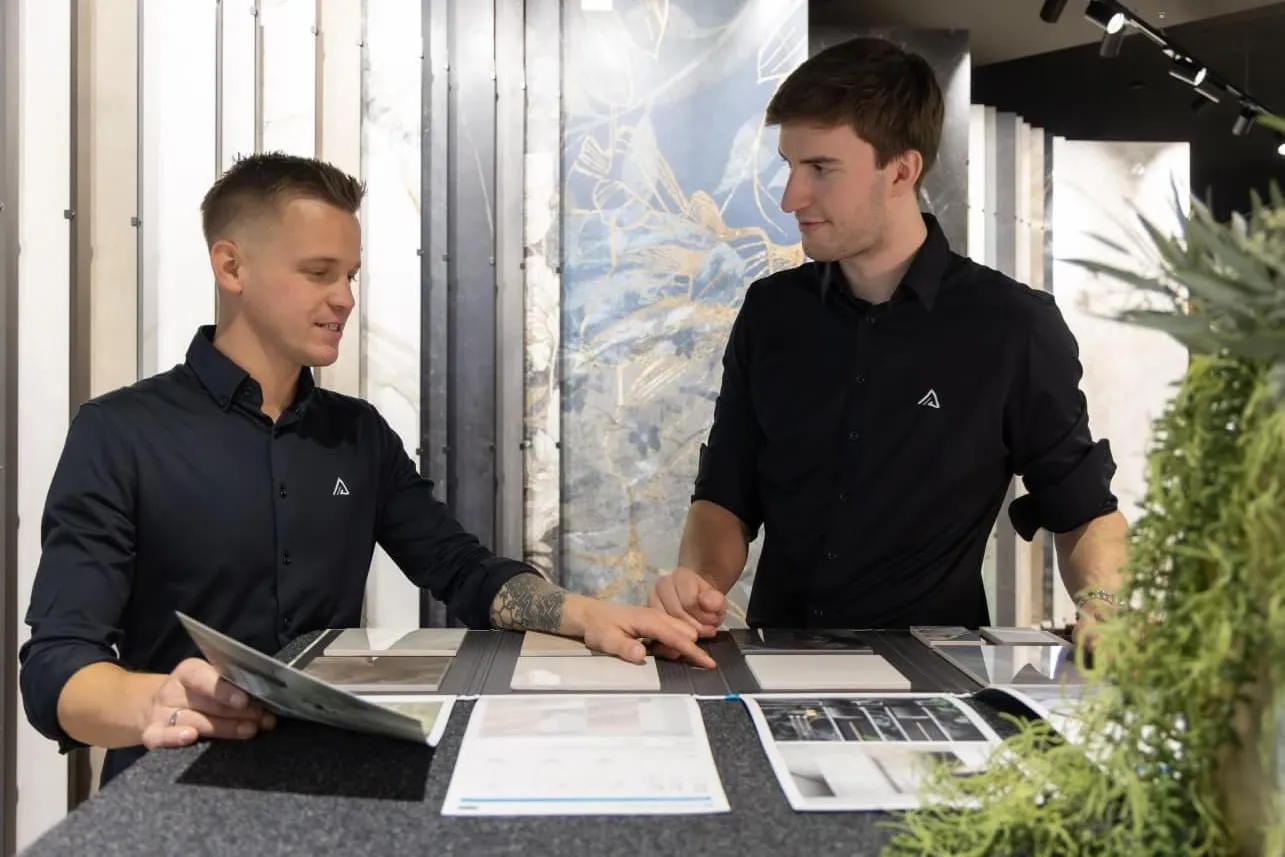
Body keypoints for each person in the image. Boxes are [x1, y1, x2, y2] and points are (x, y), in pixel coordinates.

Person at [19, 152, 714, 787]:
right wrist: (156, 699)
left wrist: (586, 613)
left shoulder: (357, 434)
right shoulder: (120, 432)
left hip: (336, 773)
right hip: (176, 775)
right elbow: (56, 668)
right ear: (231, 267)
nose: (345, 298)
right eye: (318, 273)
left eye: (349, 275)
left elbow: (462, 570)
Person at [649, 37, 1128, 644]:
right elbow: (725, 496)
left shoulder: (1012, 327)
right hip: (779, 666)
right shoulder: (771, 313)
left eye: (820, 169)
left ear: (901, 170)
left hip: (934, 683)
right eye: (790, 166)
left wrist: (1105, 604)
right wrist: (699, 583)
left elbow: (1084, 510)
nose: (791, 197)